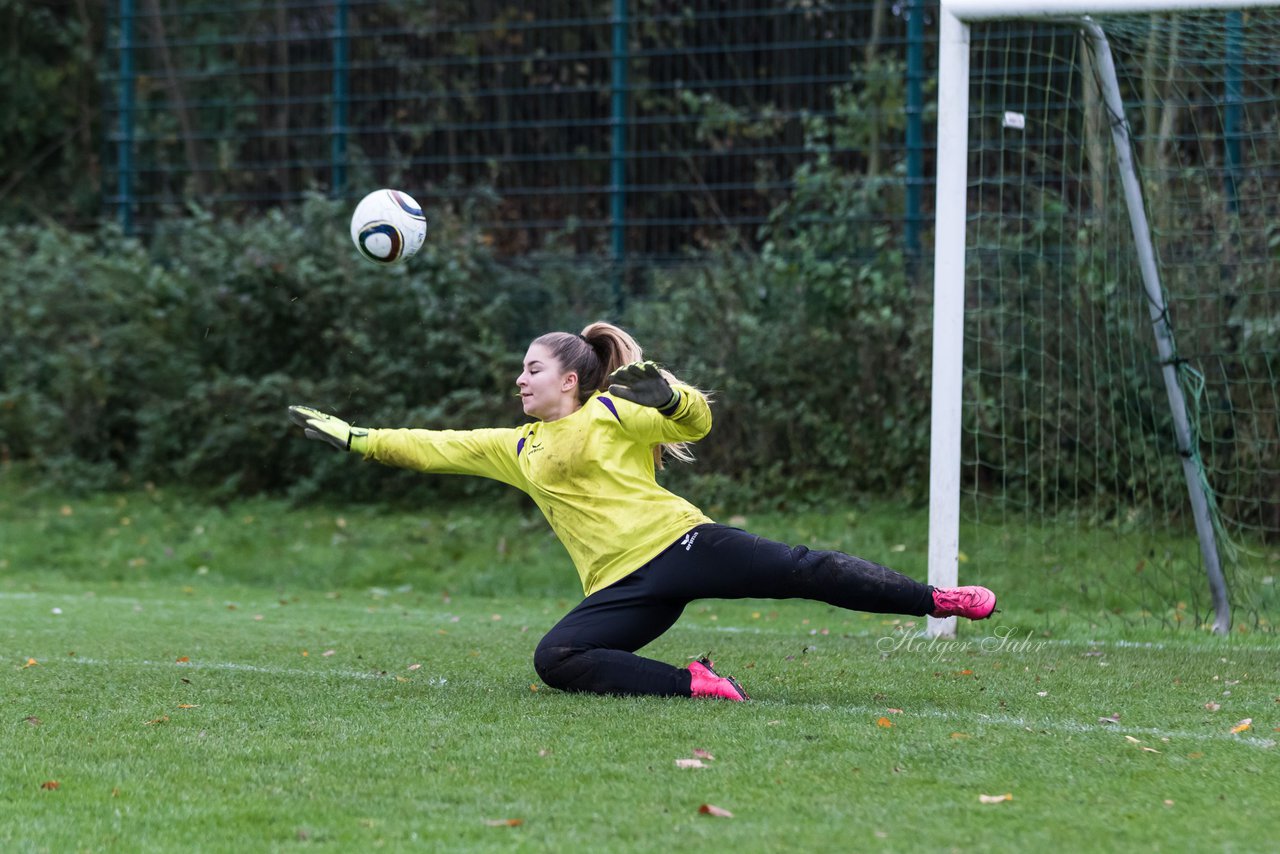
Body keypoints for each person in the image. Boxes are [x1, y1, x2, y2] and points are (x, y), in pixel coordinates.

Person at [287, 321, 996, 701]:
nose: (519, 379)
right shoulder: (517, 444)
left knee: (802, 569)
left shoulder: (611, 412)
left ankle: (938, 598)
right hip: (621, 588)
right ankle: (696, 683)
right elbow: (433, 446)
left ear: (568, 377)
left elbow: (695, 427)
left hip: (680, 545)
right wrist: (358, 439)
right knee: (557, 658)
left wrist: (671, 397)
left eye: (531, 369)